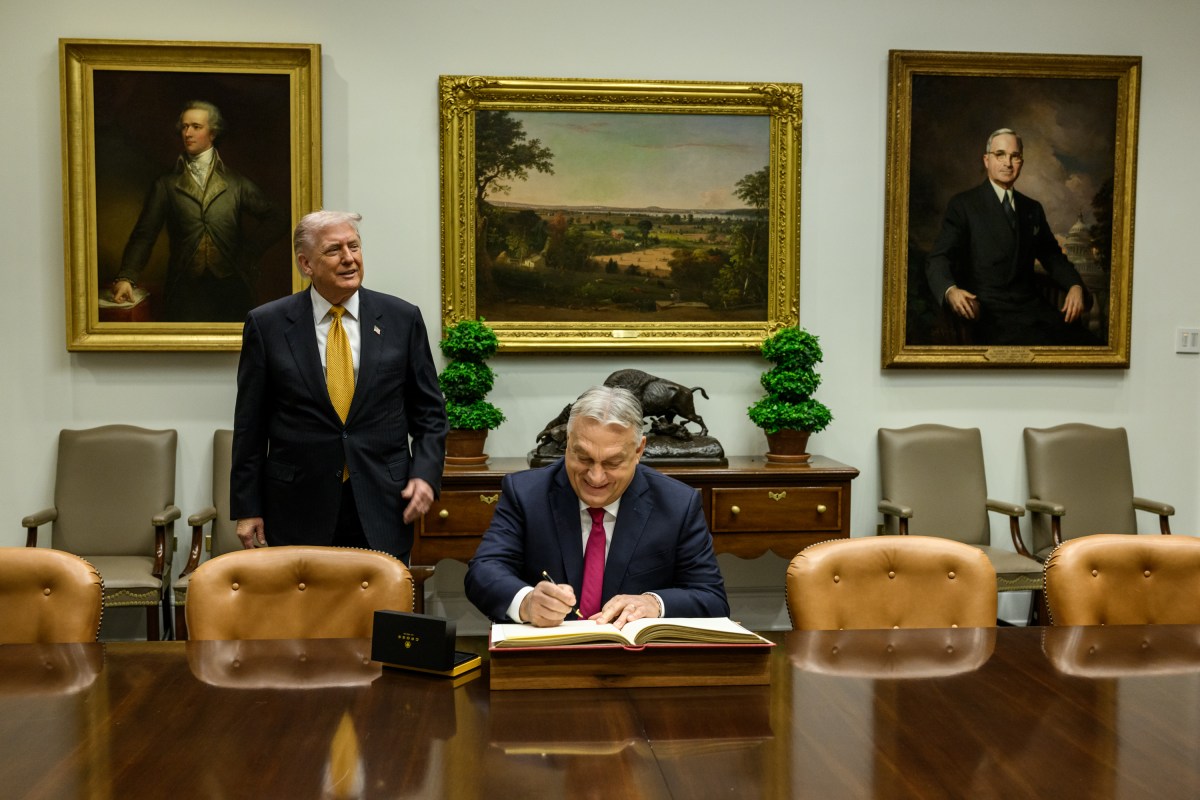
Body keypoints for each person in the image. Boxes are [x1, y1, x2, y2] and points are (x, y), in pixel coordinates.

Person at [230, 210, 448, 561]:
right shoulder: (267, 324)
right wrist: (247, 507)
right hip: (298, 505)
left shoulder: (401, 319)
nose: (349, 259)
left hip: (383, 500)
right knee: (306, 615)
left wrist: (424, 474)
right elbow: (249, 427)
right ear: (306, 264)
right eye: (334, 250)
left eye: (354, 247)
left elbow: (430, 415)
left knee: (379, 612)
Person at [465, 386, 729, 628]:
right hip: (545, 662)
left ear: (639, 450)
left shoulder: (677, 504)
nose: (596, 477)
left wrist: (654, 603)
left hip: (637, 664)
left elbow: (712, 598)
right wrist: (525, 602)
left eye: (613, 463)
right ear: (567, 442)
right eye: (583, 458)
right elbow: (484, 571)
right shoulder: (525, 493)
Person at [113, 100, 288, 322]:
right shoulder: (166, 185)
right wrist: (127, 277)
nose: (187, 133)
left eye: (196, 127)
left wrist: (249, 251)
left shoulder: (236, 183)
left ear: (213, 133)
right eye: (184, 127)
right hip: (184, 290)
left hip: (232, 290)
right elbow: (145, 234)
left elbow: (277, 217)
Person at [925, 128, 1097, 346]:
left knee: (1088, 346)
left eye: (1014, 156)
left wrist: (1074, 285)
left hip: (1032, 307)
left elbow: (1052, 256)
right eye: (1000, 155)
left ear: (1021, 163)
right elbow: (938, 259)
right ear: (987, 160)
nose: (1008, 163)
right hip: (987, 311)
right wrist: (950, 291)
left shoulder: (1032, 208)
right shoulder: (964, 205)